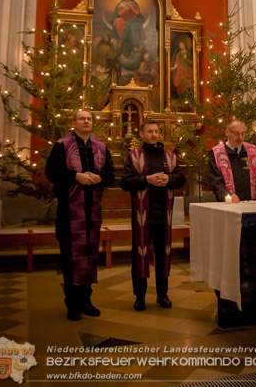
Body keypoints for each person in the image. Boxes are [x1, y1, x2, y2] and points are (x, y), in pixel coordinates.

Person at [45, 110, 115, 320]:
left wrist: (99, 178)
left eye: (89, 118)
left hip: (92, 211)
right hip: (69, 212)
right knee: (70, 257)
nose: (86, 121)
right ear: (73, 122)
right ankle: (72, 304)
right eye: (82, 118)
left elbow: (111, 175)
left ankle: (86, 300)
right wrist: (76, 176)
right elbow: (51, 172)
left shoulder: (101, 147)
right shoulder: (62, 145)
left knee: (90, 256)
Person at [120, 121, 185, 311]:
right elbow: (124, 182)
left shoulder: (170, 157)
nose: (154, 135)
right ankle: (139, 296)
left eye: (157, 131)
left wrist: (169, 179)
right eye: (150, 131)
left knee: (163, 255)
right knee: (139, 254)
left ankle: (162, 294)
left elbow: (180, 179)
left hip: (164, 215)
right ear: (142, 134)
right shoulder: (134, 157)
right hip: (142, 216)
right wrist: (146, 180)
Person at [209, 119, 256, 203]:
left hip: (252, 205)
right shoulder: (216, 153)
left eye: (243, 133)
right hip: (228, 205)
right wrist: (226, 195)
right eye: (236, 133)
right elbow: (216, 182)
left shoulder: (252, 151)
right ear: (227, 132)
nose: (240, 137)